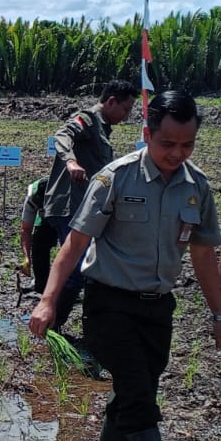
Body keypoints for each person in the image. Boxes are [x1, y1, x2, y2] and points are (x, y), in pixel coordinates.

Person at [28, 91, 221, 441]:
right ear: (148, 134)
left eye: (186, 145)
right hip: (109, 305)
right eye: (167, 144)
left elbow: (203, 256)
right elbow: (74, 246)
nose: (176, 154)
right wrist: (48, 301)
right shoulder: (115, 178)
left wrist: (220, 313)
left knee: (132, 397)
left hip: (157, 310)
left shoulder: (197, 187)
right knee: (140, 400)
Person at [37, 79, 137, 318]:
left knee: (85, 266)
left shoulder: (102, 129)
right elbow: (63, 134)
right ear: (111, 101)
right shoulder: (88, 119)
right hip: (69, 204)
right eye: (126, 109)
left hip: (86, 207)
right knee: (75, 266)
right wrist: (71, 162)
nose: (127, 115)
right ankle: (51, 323)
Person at [19, 178, 56, 295]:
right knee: (39, 243)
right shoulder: (33, 195)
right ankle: (41, 284)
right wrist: (26, 258)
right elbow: (26, 229)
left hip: (71, 215)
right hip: (47, 218)